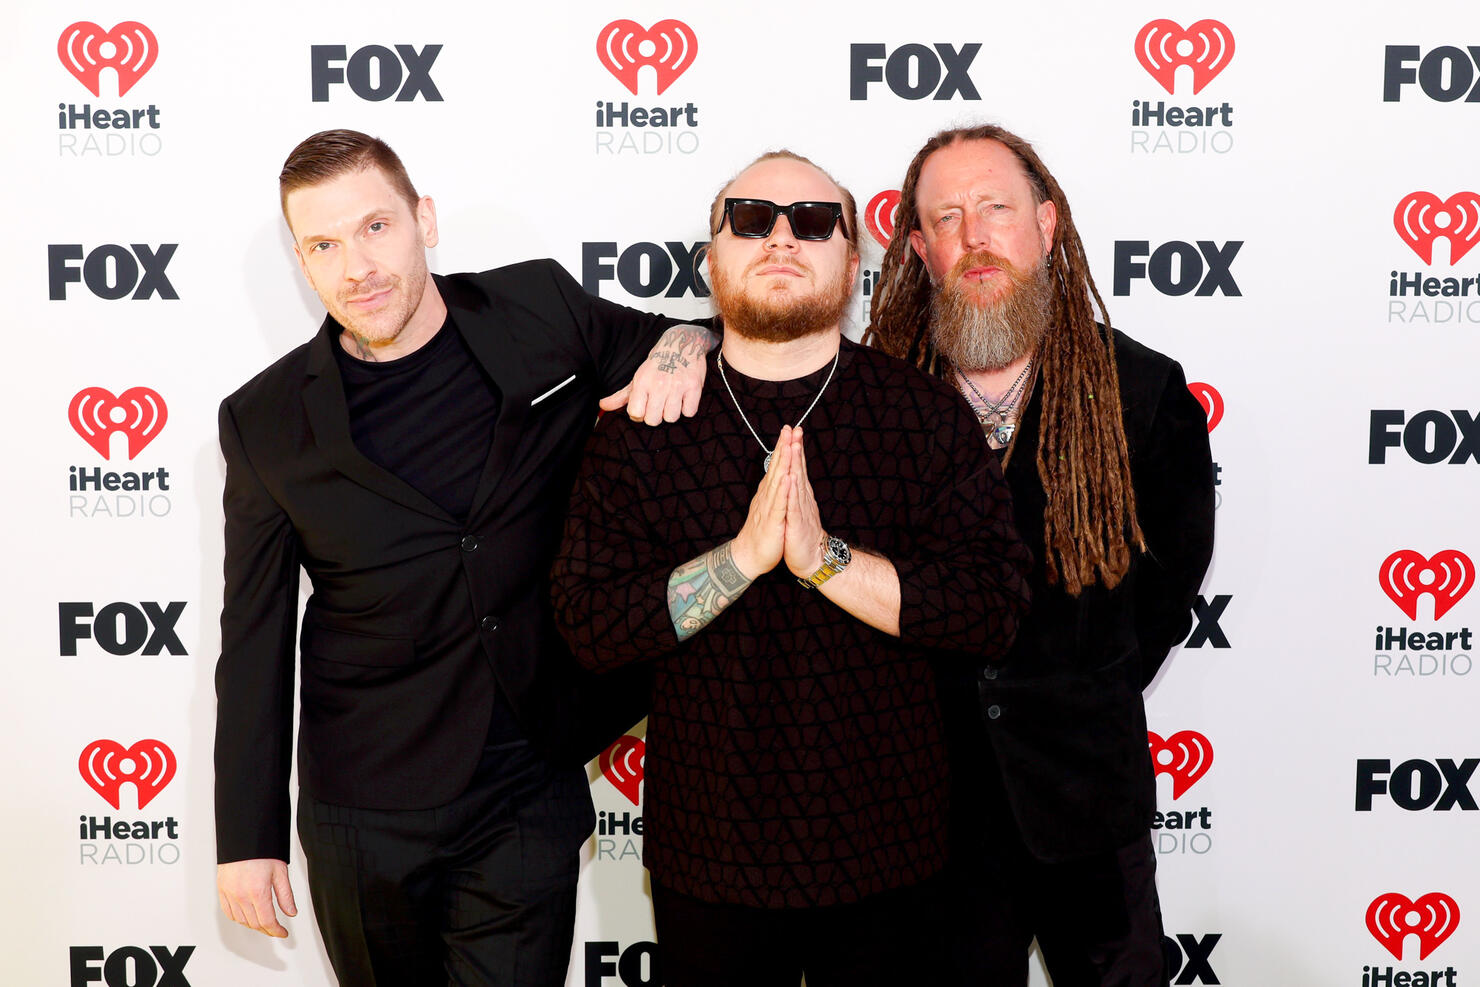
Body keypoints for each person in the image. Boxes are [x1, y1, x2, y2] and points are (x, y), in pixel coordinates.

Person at [213, 128, 717, 986]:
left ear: (425, 220)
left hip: (525, 777)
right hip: (361, 803)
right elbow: (253, 639)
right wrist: (247, 840)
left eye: (375, 228)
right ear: (302, 263)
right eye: (324, 245)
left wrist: (684, 346)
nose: (356, 267)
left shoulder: (538, 308)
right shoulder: (263, 421)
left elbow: (684, 334)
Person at [550, 150, 1033, 987]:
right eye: (750, 219)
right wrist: (739, 561)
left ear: (854, 262)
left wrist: (823, 561)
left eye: (813, 222)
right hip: (708, 861)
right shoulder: (648, 421)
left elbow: (991, 606)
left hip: (895, 859)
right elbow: (589, 623)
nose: (780, 237)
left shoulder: (921, 416)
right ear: (712, 257)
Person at [864, 123, 1217, 986]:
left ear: (1048, 224)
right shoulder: (876, 397)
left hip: (1089, 807)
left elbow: (1165, 597)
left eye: (997, 208)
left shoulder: (1141, 390)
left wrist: (1072, 690)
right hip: (926, 821)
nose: (975, 236)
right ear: (919, 249)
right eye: (947, 218)